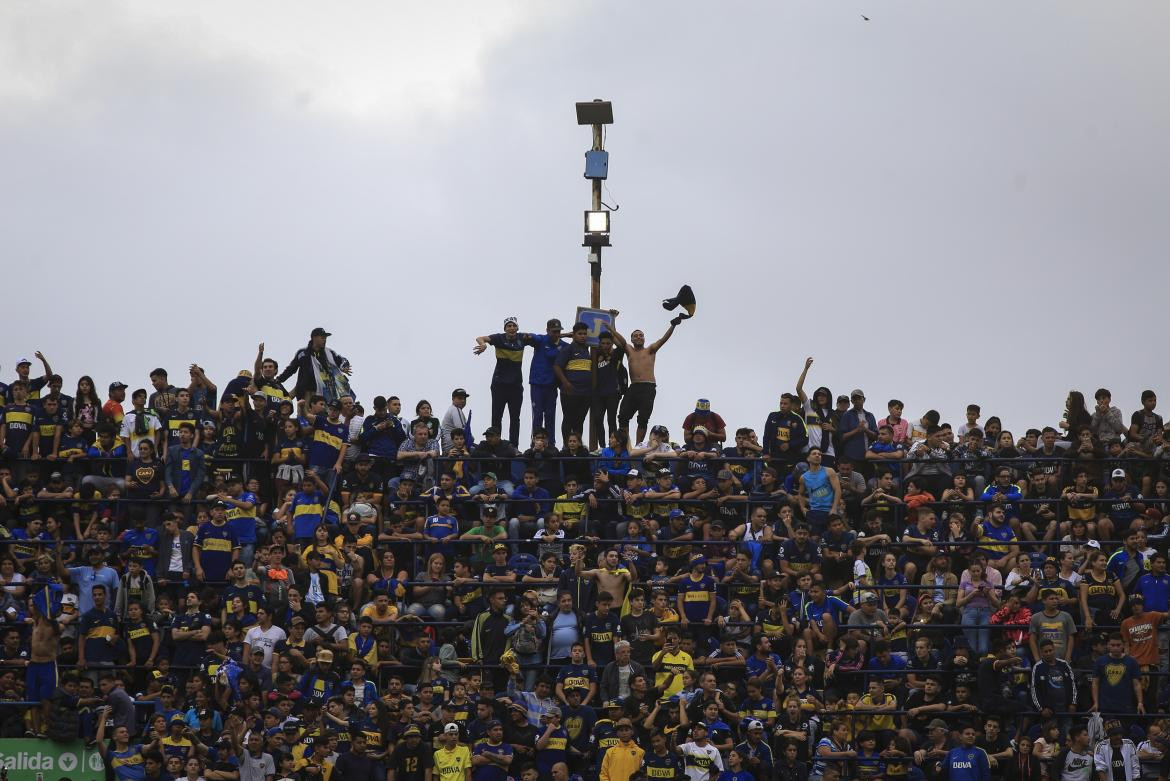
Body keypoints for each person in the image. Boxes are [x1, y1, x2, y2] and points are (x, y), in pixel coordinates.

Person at [609, 319, 677, 445]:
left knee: (643, 418)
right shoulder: (629, 350)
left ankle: (638, 446)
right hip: (634, 387)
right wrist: (612, 320)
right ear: (632, 340)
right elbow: (615, 338)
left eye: (641, 335)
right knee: (623, 416)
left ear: (644, 339)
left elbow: (663, 339)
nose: (638, 337)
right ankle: (625, 445)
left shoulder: (650, 350)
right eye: (635, 336)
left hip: (648, 387)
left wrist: (673, 325)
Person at [473, 317, 530, 446]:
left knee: (515, 418)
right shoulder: (499, 338)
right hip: (499, 385)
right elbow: (480, 338)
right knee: (497, 417)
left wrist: (566, 335)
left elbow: (543, 338)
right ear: (505, 329)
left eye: (513, 326)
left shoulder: (522, 338)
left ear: (517, 328)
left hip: (515, 386)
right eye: (508, 326)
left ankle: (514, 447)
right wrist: (483, 345)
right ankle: (495, 445)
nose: (511, 328)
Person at [276, 327, 354, 404]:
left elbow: (342, 360)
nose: (325, 340)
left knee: (322, 415)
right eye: (322, 337)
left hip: (325, 393)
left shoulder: (329, 353)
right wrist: (278, 380)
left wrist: (343, 367)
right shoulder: (303, 353)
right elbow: (291, 369)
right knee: (303, 414)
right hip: (305, 391)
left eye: (325, 338)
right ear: (314, 338)